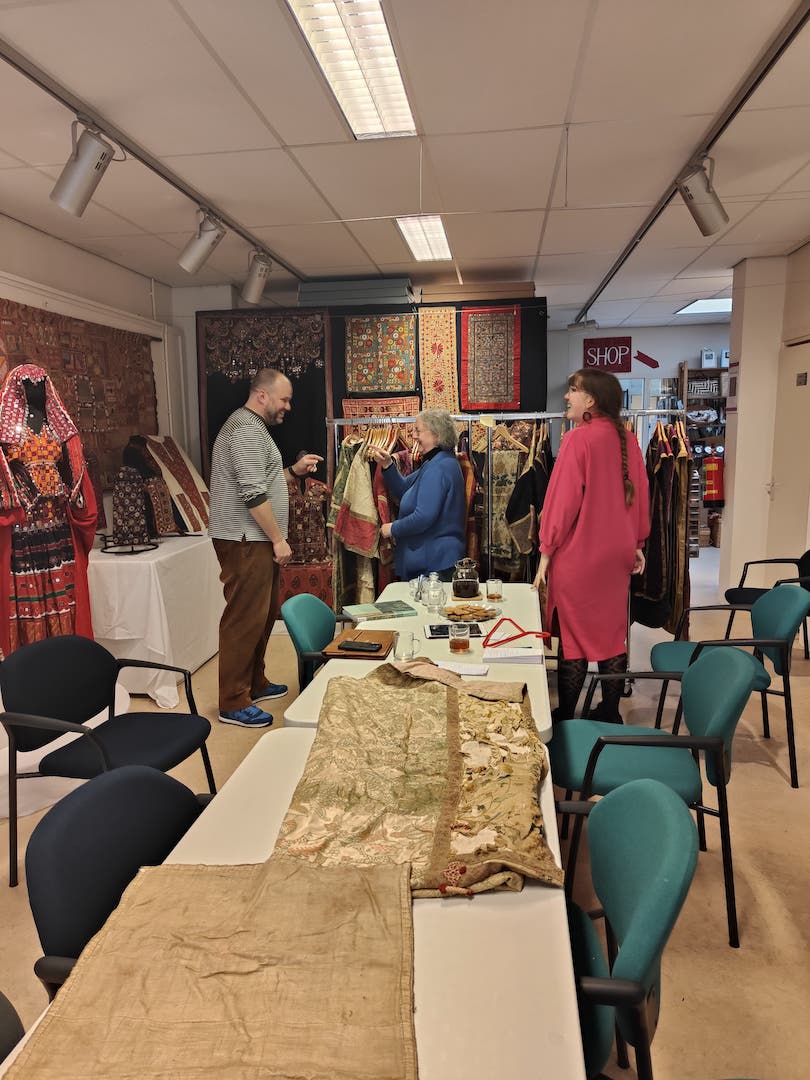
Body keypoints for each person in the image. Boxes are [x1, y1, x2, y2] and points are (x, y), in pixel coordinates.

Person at [532, 369, 650, 723]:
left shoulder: (577, 440)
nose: (567, 397)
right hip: (616, 557)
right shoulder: (627, 440)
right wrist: (638, 543)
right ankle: (610, 711)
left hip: (580, 557)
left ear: (591, 400)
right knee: (613, 635)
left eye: (572, 391)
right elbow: (639, 497)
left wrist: (545, 554)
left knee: (574, 637)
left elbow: (561, 503)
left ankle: (568, 716)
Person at [208, 368, 322, 728]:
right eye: (284, 399)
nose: (288, 406)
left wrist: (294, 471)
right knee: (244, 617)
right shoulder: (244, 430)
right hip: (246, 539)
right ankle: (232, 700)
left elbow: (266, 479)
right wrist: (277, 538)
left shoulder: (254, 429)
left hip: (252, 538)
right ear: (262, 395)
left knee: (261, 614)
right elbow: (252, 493)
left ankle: (254, 683)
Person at [368, 409, 465, 581]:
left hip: (434, 565)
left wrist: (392, 528)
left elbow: (424, 517)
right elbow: (404, 489)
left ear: (436, 434)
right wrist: (388, 464)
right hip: (434, 562)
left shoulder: (438, 468)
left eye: (418, 430)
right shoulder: (437, 463)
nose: (413, 436)